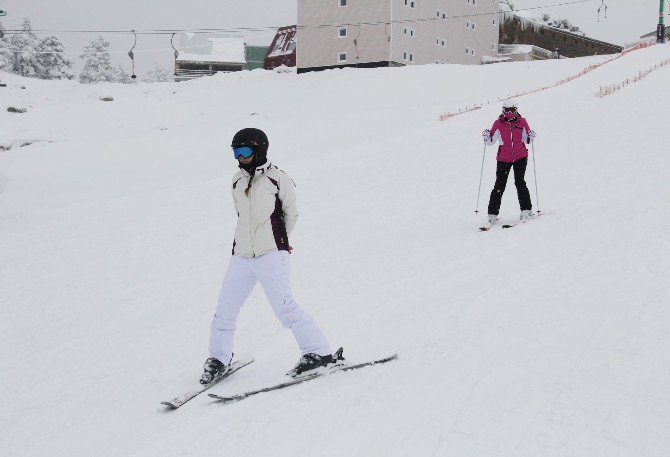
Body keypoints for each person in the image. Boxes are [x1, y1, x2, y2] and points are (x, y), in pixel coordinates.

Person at [200, 128, 334, 384]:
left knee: (285, 307)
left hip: (271, 253)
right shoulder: (236, 181)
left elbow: (291, 214)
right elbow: (242, 216)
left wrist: (280, 242)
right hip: (241, 255)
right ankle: (218, 358)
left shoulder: (278, 178)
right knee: (225, 309)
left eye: (245, 151)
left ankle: (319, 353)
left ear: (260, 149)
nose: (240, 157)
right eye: (235, 152)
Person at [481, 101, 536, 226]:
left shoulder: (522, 122)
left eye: (512, 110)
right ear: (503, 111)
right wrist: (486, 137)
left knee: (520, 182)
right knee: (499, 185)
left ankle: (526, 211)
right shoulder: (498, 123)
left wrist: (531, 136)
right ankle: (492, 214)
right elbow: (490, 141)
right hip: (503, 158)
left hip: (520, 156)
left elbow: (527, 139)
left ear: (516, 110)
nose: (509, 113)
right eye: (507, 110)